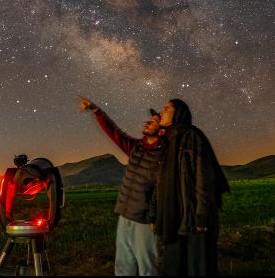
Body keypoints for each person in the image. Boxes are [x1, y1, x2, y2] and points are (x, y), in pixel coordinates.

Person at [79, 96, 164, 276]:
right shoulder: (136, 147)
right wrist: (96, 110)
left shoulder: (165, 155)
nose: (148, 121)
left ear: (162, 131)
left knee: (147, 267)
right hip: (125, 215)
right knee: (123, 266)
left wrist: (155, 216)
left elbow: (163, 189)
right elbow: (114, 132)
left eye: (155, 121)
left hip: (146, 221)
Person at [149, 99, 230, 276]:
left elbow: (204, 176)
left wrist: (202, 215)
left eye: (167, 109)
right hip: (172, 216)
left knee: (198, 266)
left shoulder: (192, 136)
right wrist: (154, 213)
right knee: (174, 266)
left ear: (179, 113)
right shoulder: (165, 143)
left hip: (193, 216)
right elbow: (159, 181)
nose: (161, 113)